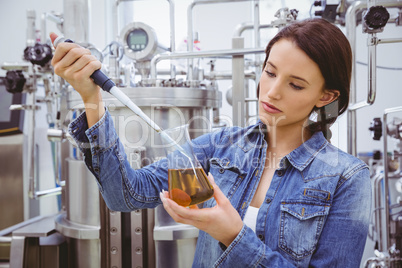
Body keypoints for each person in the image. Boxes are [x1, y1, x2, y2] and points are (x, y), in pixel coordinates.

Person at [51, 18, 371, 267]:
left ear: (325, 96)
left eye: (296, 85)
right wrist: (91, 99)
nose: (272, 91)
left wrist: (232, 235)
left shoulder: (345, 179)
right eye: (270, 72)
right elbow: (127, 194)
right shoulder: (222, 150)